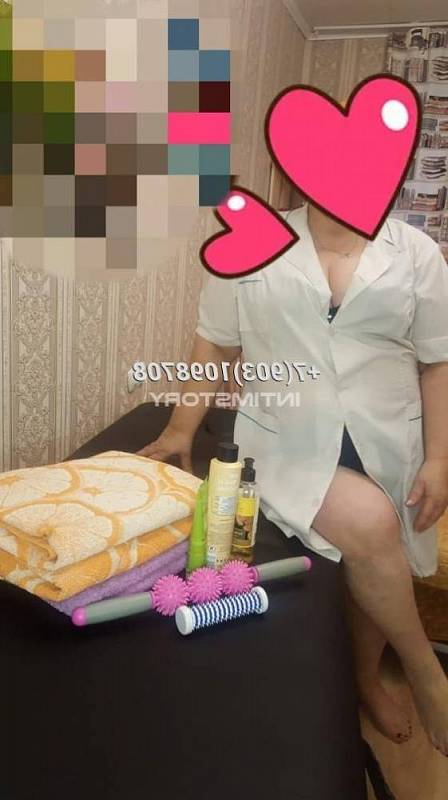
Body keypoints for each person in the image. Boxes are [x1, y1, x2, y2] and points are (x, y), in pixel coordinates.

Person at [138, 199, 448, 755]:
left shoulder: (415, 252)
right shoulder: (251, 241)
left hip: (386, 435)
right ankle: (428, 675)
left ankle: (365, 679)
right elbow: (217, 340)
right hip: (287, 439)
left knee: (384, 549)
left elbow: (437, 361)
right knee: (374, 523)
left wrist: (439, 459)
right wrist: (181, 428)